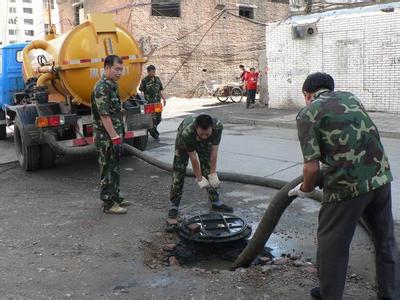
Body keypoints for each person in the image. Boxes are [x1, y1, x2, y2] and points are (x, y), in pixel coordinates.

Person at [289, 72, 399, 300]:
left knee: (332, 248)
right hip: (380, 178)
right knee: (385, 240)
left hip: (347, 188)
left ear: (307, 94)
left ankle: (329, 295)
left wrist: (305, 189)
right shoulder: (351, 98)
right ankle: (391, 294)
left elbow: (311, 168)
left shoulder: (308, 113)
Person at [167, 114, 233, 219]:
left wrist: (212, 174)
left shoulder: (218, 127)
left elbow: (214, 153)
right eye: (202, 134)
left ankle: (216, 202)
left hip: (204, 142)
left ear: (212, 128)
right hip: (183, 142)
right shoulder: (187, 132)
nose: (204, 136)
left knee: (207, 167)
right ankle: (174, 205)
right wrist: (199, 178)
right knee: (179, 171)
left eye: (207, 134)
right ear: (196, 128)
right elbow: (193, 158)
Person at [91, 55, 131, 214]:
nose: (119, 72)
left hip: (114, 135)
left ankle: (116, 196)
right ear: (106, 68)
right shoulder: (102, 87)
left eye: (121, 69)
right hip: (106, 137)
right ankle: (108, 203)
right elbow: (104, 116)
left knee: (114, 168)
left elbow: (113, 111)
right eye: (116, 69)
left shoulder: (112, 85)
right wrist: (115, 137)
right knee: (107, 169)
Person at [139, 65, 166, 142]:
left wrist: (164, 99)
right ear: (148, 72)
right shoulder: (144, 80)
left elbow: (160, 90)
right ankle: (155, 134)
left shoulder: (157, 79)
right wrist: (144, 101)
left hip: (157, 102)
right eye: (151, 72)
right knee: (153, 119)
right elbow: (142, 92)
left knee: (158, 119)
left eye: (154, 72)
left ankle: (151, 129)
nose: (153, 73)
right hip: (149, 103)